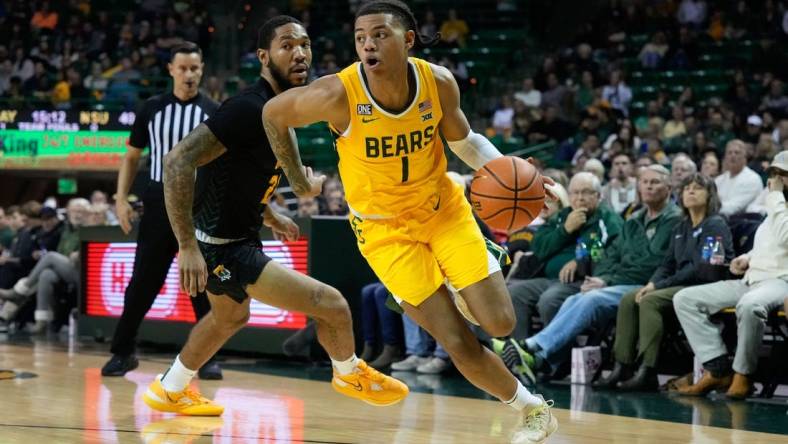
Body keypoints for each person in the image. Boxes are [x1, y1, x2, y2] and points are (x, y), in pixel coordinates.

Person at [261, 2, 558, 442]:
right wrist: (297, 177)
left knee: (500, 324)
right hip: (384, 234)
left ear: (408, 39)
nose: (368, 44)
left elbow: (466, 142)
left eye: (380, 34)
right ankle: (532, 410)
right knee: (457, 341)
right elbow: (272, 114)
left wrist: (512, 172)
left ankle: (466, 276)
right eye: (361, 36)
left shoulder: (436, 81)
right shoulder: (337, 93)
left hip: (443, 212)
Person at [141, 16, 408, 417]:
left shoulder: (282, 112)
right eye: (287, 45)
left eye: (305, 44)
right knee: (331, 305)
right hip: (221, 248)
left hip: (237, 236)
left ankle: (170, 388)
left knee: (229, 318)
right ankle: (348, 371)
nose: (299, 53)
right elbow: (178, 161)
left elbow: (236, 175)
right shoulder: (247, 108)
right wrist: (187, 246)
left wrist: (271, 213)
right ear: (264, 56)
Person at [101, 42, 222, 379]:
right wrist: (121, 198)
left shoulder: (213, 111)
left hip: (199, 205)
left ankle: (206, 357)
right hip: (157, 202)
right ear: (170, 69)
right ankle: (123, 352)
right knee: (142, 284)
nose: (189, 74)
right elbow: (131, 156)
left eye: (194, 68)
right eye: (182, 68)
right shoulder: (151, 108)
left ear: (202, 70)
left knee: (201, 284)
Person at [594, 173, 733, 391]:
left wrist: (658, 287)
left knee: (650, 301)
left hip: (704, 286)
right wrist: (652, 283)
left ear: (710, 195)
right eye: (687, 188)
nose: (691, 191)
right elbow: (667, 264)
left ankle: (648, 370)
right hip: (680, 284)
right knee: (630, 298)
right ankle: (622, 366)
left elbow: (698, 269)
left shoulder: (715, 224)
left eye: (697, 188)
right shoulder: (682, 226)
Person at [673, 151, 788, 399]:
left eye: (782, 175)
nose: (776, 180)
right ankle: (717, 368)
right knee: (685, 299)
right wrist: (747, 258)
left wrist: (776, 196)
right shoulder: (776, 209)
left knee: (750, 305)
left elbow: (786, 237)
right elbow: (769, 245)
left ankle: (743, 376)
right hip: (752, 279)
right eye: (774, 175)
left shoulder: (777, 205)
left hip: (781, 281)